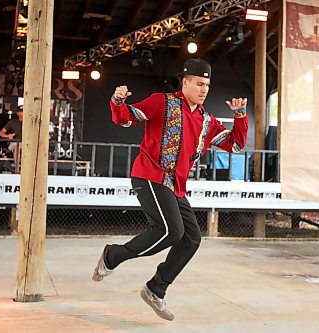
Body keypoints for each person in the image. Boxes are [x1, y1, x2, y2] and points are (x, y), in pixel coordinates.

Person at [92, 58, 248, 321]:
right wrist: (118, 102)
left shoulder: (207, 121)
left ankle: (156, 289)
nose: (204, 89)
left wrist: (240, 117)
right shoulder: (161, 102)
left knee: (191, 238)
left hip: (175, 186)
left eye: (207, 85)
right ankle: (112, 255)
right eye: (199, 83)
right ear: (184, 82)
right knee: (169, 231)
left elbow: (234, 145)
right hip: (150, 175)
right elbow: (126, 118)